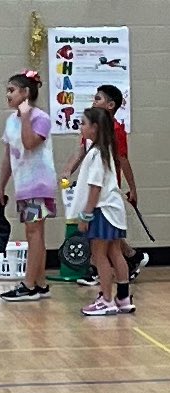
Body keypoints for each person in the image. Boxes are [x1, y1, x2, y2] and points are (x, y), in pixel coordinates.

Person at [60, 85, 147, 285]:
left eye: (98, 98)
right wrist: (68, 170)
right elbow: (80, 152)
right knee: (106, 239)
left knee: (102, 240)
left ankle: (103, 279)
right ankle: (128, 260)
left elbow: (123, 160)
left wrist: (132, 188)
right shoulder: (91, 127)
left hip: (104, 193)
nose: (94, 101)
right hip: (93, 188)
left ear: (110, 105)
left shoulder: (116, 130)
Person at [0, 70, 57, 302]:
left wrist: (26, 116)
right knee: (34, 232)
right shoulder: (11, 121)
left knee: (34, 232)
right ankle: (40, 283)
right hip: (23, 185)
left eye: (12, 90)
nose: (8, 95)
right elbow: (9, 156)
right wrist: (1, 186)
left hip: (38, 185)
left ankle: (29, 284)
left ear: (26, 93)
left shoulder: (40, 118)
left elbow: (30, 143)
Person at [73, 108, 133, 316]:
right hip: (114, 210)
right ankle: (123, 298)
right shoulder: (102, 149)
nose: (81, 127)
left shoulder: (98, 154)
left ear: (94, 128)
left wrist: (85, 216)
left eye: (83, 123)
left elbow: (95, 188)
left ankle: (106, 300)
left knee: (99, 256)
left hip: (102, 212)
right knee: (115, 252)